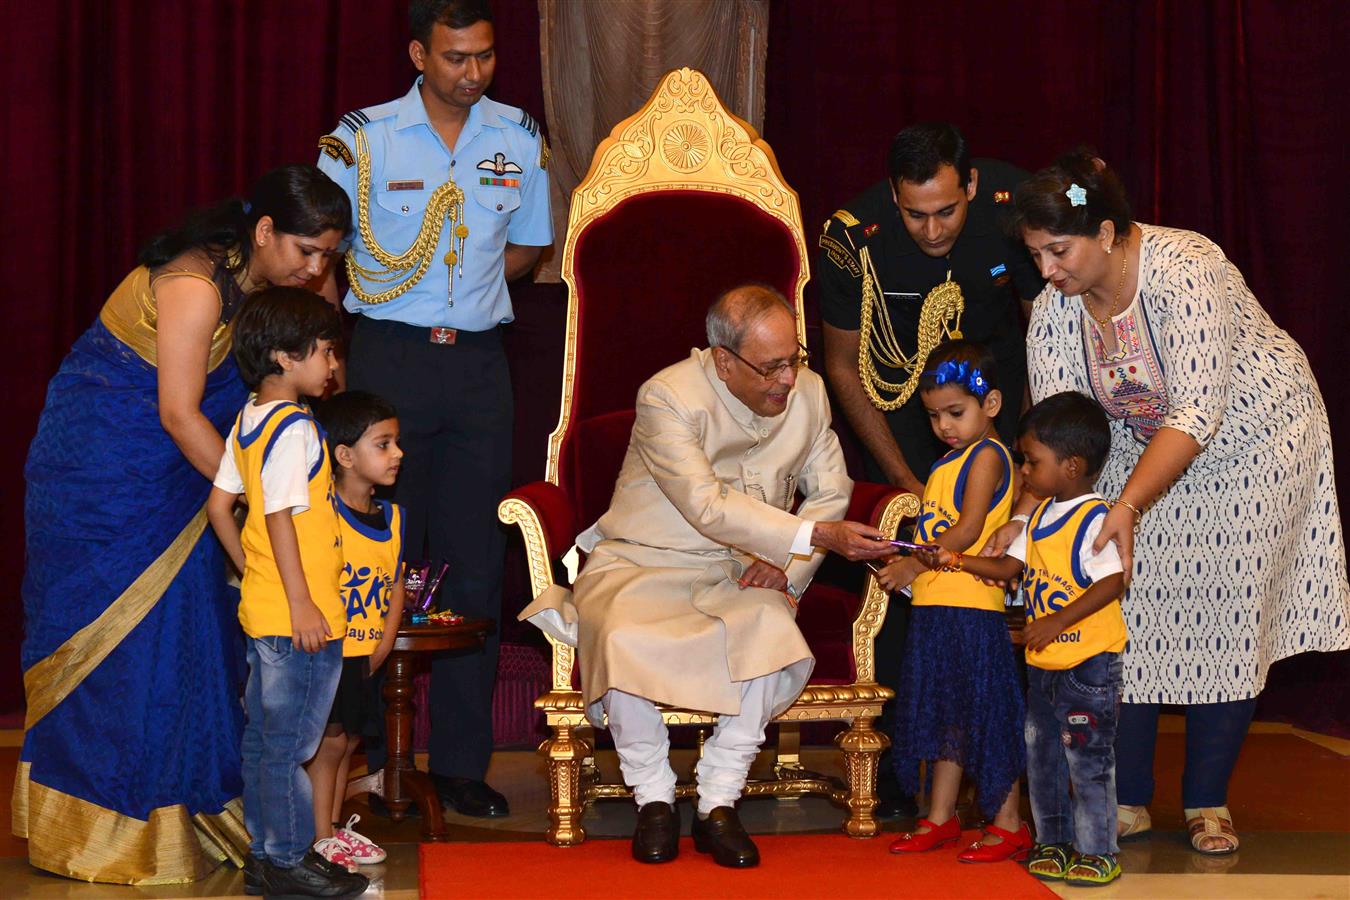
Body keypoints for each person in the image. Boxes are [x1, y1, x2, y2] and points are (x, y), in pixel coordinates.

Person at [1003, 149, 1350, 854]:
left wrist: (1124, 508)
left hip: (1255, 443)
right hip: (1136, 450)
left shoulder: (1186, 268)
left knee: (1227, 617)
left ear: (1106, 232)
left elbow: (1196, 409)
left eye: (1058, 251)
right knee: (1123, 606)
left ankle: (1207, 802)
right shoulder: (1054, 310)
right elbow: (1063, 428)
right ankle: (1128, 798)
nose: (1047, 272)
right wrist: (1028, 520)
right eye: (1036, 254)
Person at [17, 165, 348, 885]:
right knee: (128, 649)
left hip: (191, 475)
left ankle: (199, 816)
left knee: (193, 634)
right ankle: (109, 830)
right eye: (306, 251)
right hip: (109, 470)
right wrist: (263, 504)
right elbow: (176, 413)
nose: (317, 269)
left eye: (330, 255)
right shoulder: (196, 286)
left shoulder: (270, 283)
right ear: (263, 232)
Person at [519, 285, 893, 868]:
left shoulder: (811, 392)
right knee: (619, 635)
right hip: (643, 557)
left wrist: (790, 566)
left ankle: (719, 799)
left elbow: (831, 490)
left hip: (742, 568)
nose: (786, 380)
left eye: (794, 359)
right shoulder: (667, 396)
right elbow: (705, 505)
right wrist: (813, 536)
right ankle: (655, 799)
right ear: (724, 360)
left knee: (770, 634)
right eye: (771, 367)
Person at [316, 0, 552, 818]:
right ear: (420, 54)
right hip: (389, 355)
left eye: (484, 56)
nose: (472, 72)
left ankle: (457, 762)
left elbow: (527, 245)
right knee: (376, 554)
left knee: (472, 564)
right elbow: (323, 250)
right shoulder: (363, 139)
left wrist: (470, 289)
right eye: (455, 57)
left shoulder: (517, 138)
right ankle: (371, 753)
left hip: (479, 363)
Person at [817, 123, 1042, 817]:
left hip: (999, 409)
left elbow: (1043, 331)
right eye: (915, 213)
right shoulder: (851, 236)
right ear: (893, 195)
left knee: (1005, 580)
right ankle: (898, 772)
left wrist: (1025, 467)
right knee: (903, 592)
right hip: (900, 415)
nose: (932, 228)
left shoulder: (1012, 206)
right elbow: (843, 365)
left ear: (970, 185)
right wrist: (907, 482)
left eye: (946, 209)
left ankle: (1011, 769)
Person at [917, 391, 1127, 886]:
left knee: (1087, 757)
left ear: (1072, 466)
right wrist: (957, 560)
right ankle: (1052, 842)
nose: (1024, 473)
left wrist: (1057, 621)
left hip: (1089, 663)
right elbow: (1009, 567)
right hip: (1045, 665)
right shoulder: (1037, 518)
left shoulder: (1095, 518)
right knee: (1043, 755)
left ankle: (1098, 850)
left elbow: (1112, 581)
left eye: (1032, 462)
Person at [207, 287, 368, 899]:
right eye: (324, 351)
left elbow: (221, 507)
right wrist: (299, 601)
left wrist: (253, 575)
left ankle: (270, 854)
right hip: (301, 616)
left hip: (267, 609)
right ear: (283, 356)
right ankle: (288, 858)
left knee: (266, 743)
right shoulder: (296, 426)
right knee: (291, 747)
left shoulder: (250, 417)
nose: (331, 365)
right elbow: (275, 516)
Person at [875, 340, 1029, 863]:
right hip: (939, 606)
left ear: (991, 405)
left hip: (971, 605)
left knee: (985, 714)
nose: (944, 425)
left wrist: (914, 563)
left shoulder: (987, 455)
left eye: (956, 412)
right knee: (948, 715)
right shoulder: (949, 459)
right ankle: (940, 817)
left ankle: (1008, 823)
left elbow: (963, 531)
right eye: (935, 415)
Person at [306, 391, 408, 872]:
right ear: (345, 455)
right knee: (326, 743)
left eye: (396, 443)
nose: (397, 454)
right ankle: (317, 837)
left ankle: (332, 830)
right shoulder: (322, 516)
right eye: (383, 445)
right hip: (329, 652)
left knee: (347, 742)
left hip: (367, 654)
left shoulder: (393, 518)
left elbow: (393, 588)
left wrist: (384, 644)